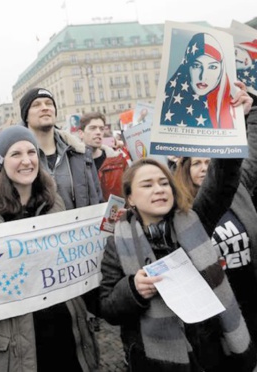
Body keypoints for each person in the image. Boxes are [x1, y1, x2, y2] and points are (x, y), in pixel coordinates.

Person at [0, 125, 99, 371]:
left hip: (64, 331)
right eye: (16, 154)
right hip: (13, 340)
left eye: (32, 152)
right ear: (1, 161)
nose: (26, 161)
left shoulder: (54, 201)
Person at [100, 155, 257, 371]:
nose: (159, 189)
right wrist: (133, 290)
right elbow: (107, 306)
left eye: (164, 183)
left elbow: (222, 181)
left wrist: (227, 144)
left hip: (212, 350)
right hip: (158, 362)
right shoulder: (116, 244)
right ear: (130, 198)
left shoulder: (196, 219)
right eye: (147, 185)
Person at [173, 93, 257, 342]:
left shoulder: (238, 187)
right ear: (185, 169)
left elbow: (251, 153)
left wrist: (251, 113)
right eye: (197, 163)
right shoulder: (184, 210)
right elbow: (216, 185)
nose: (204, 168)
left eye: (209, 161)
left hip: (251, 293)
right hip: (219, 308)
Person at [18, 87, 103, 210]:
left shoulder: (81, 153)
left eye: (49, 103)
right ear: (26, 116)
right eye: (36, 105)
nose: (45, 107)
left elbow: (97, 198)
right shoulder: (16, 159)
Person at [160, 32, 234, 129]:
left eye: (212, 67)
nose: (203, 77)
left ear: (222, 70)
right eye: (196, 66)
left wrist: (243, 113)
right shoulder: (166, 102)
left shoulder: (232, 104)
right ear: (187, 65)